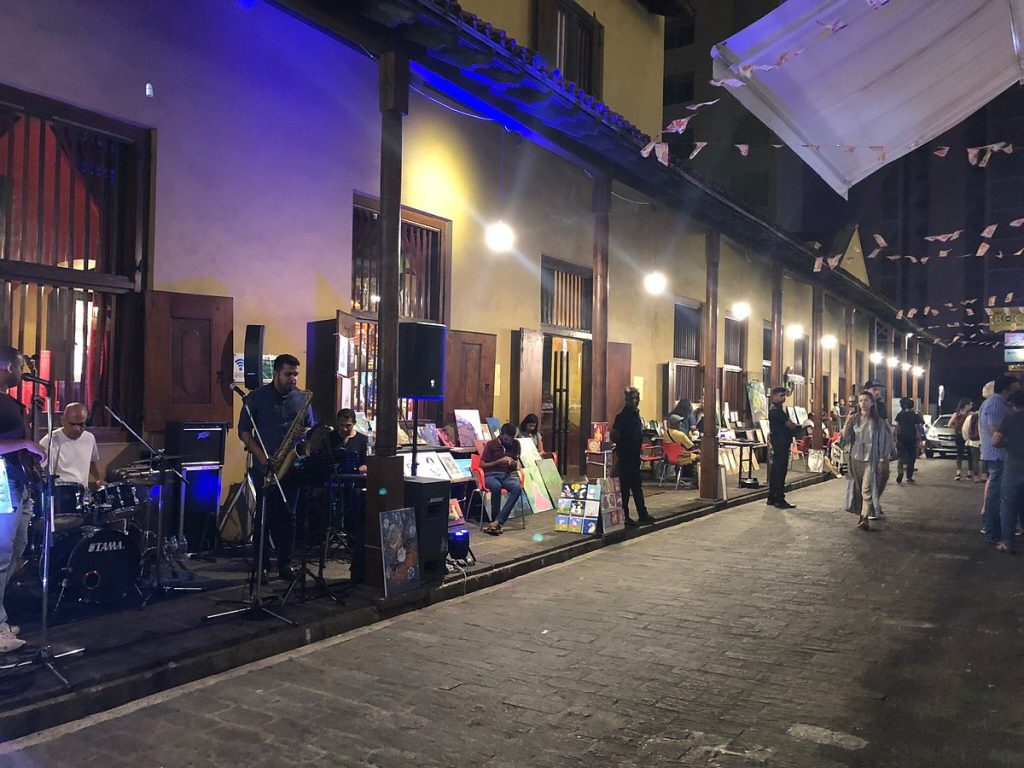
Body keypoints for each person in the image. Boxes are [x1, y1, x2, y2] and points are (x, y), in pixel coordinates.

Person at [237, 353, 314, 581]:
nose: (293, 379)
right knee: (264, 518)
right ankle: (261, 566)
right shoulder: (256, 398)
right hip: (266, 466)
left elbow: (309, 428)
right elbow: (244, 432)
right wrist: (262, 457)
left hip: (291, 467)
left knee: (289, 518)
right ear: (277, 373)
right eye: (288, 374)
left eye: (296, 375)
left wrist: (304, 437)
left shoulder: (302, 399)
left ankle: (285, 564)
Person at [0, 345, 46, 652]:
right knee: (2, 555)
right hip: (3, 481)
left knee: (17, 549)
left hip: (20, 481)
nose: (22, 373)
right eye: (19, 367)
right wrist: (27, 444)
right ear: (6, 367)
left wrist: (34, 416)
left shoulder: (10, 402)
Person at [840, 390, 895, 531]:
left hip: (872, 458)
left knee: (867, 488)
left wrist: (883, 459)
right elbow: (845, 437)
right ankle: (861, 514)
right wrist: (846, 422)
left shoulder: (878, 421)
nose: (863, 403)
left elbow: (885, 441)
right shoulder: (855, 419)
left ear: (872, 403)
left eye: (866, 400)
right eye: (861, 401)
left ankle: (865, 516)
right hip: (855, 457)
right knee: (857, 487)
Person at [979, 375, 1021, 548]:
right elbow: (995, 433)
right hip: (998, 455)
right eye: (1016, 385)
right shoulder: (995, 404)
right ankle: (993, 533)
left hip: (1001, 456)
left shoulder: (1001, 404)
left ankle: (998, 532)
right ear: (1007, 388)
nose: (1018, 388)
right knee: (996, 497)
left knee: (1001, 496)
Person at [330, 408, 368, 583]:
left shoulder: (361, 440)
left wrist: (359, 468)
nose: (344, 429)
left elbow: (366, 464)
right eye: (341, 426)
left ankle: (353, 540)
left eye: (348, 425)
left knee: (355, 507)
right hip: (335, 482)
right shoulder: (331, 438)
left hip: (353, 483)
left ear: (354, 424)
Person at [612, 387, 653, 526]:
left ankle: (642, 513)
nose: (635, 401)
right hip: (625, 456)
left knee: (636, 486)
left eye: (636, 398)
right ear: (626, 400)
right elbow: (615, 435)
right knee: (624, 488)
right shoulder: (622, 417)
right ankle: (625, 515)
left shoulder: (636, 416)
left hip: (634, 456)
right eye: (631, 399)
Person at [38, 402, 101, 488]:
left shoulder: (89, 438)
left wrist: (98, 479)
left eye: (81, 424)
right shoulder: (49, 441)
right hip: (59, 493)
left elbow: (91, 461)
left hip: (82, 493)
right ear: (62, 420)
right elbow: (38, 469)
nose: (77, 428)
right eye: (73, 424)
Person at [992, 390, 1024, 553]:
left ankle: (1007, 542)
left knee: (1008, 503)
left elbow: (995, 441)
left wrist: (1009, 444)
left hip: (1014, 463)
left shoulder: (1010, 418)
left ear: (1013, 404)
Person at [481, 423, 523, 535]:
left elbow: (515, 464)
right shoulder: (491, 445)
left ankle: (498, 521)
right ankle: (495, 522)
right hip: (491, 475)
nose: (508, 442)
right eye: (506, 439)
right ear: (500, 435)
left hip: (505, 475)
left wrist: (513, 463)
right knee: (496, 486)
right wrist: (498, 462)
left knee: (517, 488)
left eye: (511, 439)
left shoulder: (516, 444)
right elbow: (482, 465)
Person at [767, 387, 798, 509]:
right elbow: (790, 425)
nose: (784, 398)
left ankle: (771, 497)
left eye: (784, 395)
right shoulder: (776, 411)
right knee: (780, 471)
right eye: (781, 395)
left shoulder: (776, 409)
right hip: (781, 443)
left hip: (778, 442)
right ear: (774, 396)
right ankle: (779, 498)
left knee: (776, 470)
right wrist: (794, 425)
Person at [894, 397, 924, 484]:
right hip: (912, 439)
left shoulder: (900, 414)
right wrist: (920, 440)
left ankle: (900, 472)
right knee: (911, 458)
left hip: (901, 439)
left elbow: (897, 427)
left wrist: (895, 437)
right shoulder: (915, 415)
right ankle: (909, 476)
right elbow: (918, 428)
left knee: (900, 457)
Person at [949, 398, 975, 481]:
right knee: (970, 454)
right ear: (966, 405)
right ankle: (969, 473)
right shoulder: (971, 414)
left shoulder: (956, 414)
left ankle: (958, 473)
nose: (971, 406)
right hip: (968, 436)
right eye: (970, 404)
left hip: (959, 435)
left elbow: (950, 424)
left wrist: (957, 429)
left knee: (959, 454)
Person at [962, 403, 982, 484]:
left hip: (972, 441)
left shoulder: (969, 418)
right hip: (983, 441)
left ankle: (976, 476)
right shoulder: (984, 416)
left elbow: (965, 429)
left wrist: (967, 439)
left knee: (975, 460)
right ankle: (985, 475)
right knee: (985, 460)